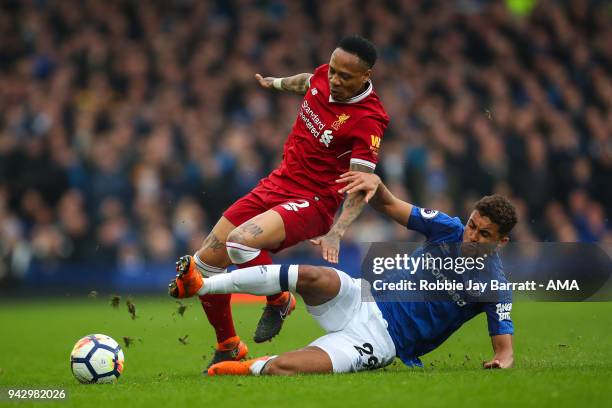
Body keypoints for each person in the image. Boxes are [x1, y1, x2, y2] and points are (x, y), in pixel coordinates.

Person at [168, 35, 390, 370]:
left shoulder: (368, 119)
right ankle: (229, 344)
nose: (334, 80)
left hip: (313, 201)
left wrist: (337, 230)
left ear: (366, 76)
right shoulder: (322, 77)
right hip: (276, 183)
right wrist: (275, 83)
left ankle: (279, 298)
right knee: (207, 262)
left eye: (345, 76)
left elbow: (361, 185)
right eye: (332, 71)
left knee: (240, 241)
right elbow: (306, 81)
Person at [176, 173, 517, 375]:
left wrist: (501, 360)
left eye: (484, 234)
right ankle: (202, 283)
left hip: (382, 341)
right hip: (362, 296)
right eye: (473, 225)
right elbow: (389, 205)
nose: (471, 236)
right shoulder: (448, 228)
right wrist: (376, 183)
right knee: (314, 276)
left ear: (502, 241)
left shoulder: (494, 286)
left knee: (289, 368)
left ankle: (245, 367)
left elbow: (504, 349)